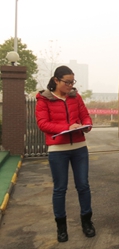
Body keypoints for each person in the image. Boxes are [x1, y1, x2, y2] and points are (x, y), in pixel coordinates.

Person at [35, 65, 95, 243]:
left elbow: (85, 116)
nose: (70, 86)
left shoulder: (75, 97)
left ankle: (87, 222)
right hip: (57, 150)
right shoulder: (43, 99)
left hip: (79, 148)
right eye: (67, 82)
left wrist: (87, 124)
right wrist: (66, 127)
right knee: (60, 189)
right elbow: (43, 124)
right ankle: (61, 227)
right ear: (56, 80)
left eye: (72, 82)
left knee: (83, 185)